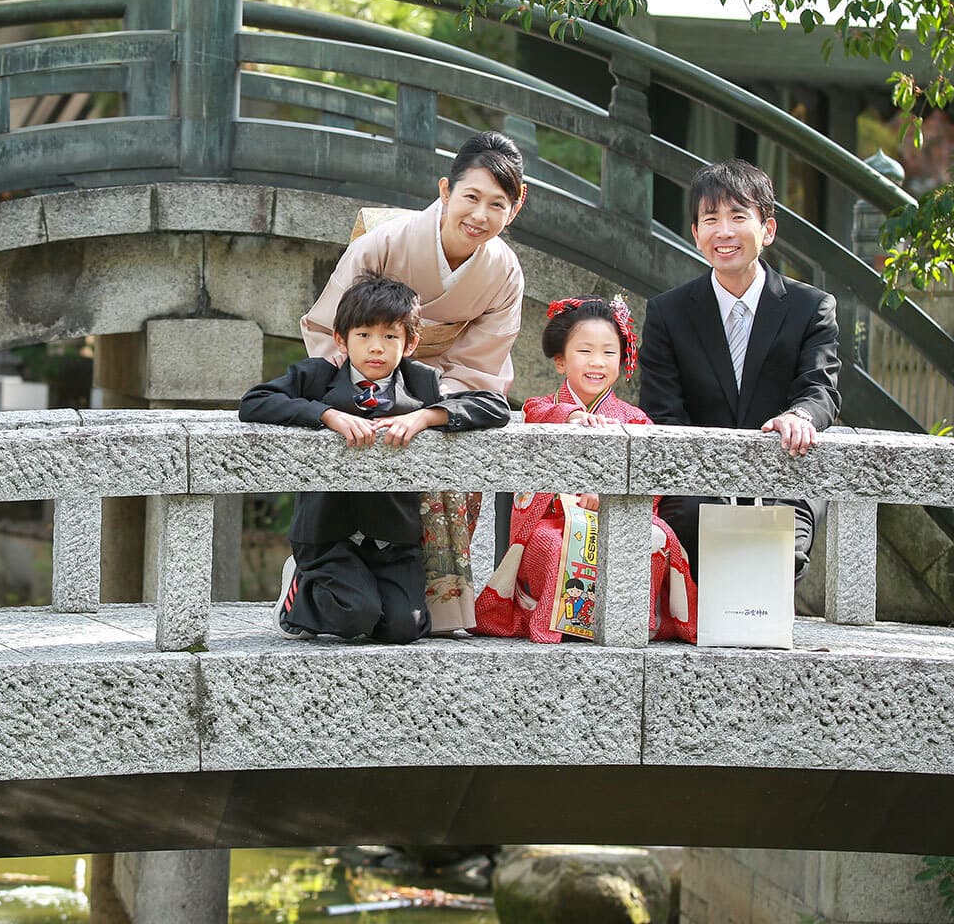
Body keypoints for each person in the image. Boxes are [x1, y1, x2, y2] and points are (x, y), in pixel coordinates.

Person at [300, 130, 527, 632]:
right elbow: (335, 330)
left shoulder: (503, 271)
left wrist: (423, 402)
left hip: (440, 392)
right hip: (365, 384)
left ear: (515, 207)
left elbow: (481, 366)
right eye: (470, 197)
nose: (480, 215)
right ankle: (317, 580)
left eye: (497, 204)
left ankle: (436, 606)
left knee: (456, 445)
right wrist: (377, 391)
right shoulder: (385, 244)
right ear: (445, 191)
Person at [242, 274, 510, 643]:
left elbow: (494, 405)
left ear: (410, 342)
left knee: (405, 628)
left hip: (392, 537)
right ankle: (298, 594)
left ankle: (368, 594)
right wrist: (325, 415)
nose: (376, 348)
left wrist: (426, 416)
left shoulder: (422, 384)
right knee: (355, 615)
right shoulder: (318, 378)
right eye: (363, 335)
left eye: (390, 336)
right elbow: (254, 402)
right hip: (328, 534)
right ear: (341, 339)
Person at [637, 160, 842, 576]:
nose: (724, 232)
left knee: (783, 550)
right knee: (695, 525)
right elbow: (663, 412)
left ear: (767, 229)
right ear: (696, 234)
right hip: (697, 480)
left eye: (738, 217)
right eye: (710, 219)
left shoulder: (811, 308)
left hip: (783, 469)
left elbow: (820, 388)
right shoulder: (667, 313)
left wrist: (800, 417)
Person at [473, 296, 696, 642]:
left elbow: (650, 485)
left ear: (621, 362)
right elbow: (538, 415)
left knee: (657, 536)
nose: (597, 362)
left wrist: (609, 496)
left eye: (609, 353)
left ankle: (632, 624)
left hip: (618, 516)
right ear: (560, 361)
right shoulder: (543, 407)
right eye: (584, 352)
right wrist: (573, 417)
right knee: (551, 545)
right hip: (553, 519)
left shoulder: (636, 419)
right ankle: (551, 625)